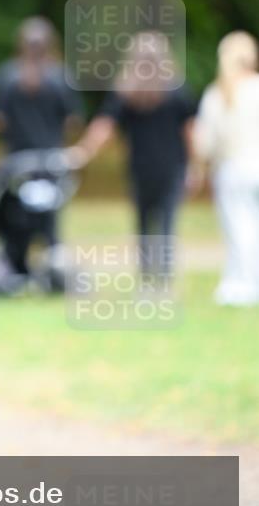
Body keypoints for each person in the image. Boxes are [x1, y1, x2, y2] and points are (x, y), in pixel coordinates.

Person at [73, 32, 197, 278]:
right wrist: (196, 166)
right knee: (166, 223)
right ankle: (164, 276)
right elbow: (191, 131)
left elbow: (104, 126)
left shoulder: (126, 91)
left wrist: (83, 151)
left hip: (139, 168)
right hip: (172, 168)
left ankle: (147, 276)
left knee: (142, 223)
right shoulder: (177, 89)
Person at [0, 16, 84, 278]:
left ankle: (16, 264)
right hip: (51, 160)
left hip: (16, 161)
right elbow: (73, 121)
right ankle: (53, 265)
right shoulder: (60, 77)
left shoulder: (7, 75)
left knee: (16, 214)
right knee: (49, 216)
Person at [192, 31, 259, 305]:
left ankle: (243, 284)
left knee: (238, 227)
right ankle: (242, 282)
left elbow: (205, 141)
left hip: (233, 169)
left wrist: (201, 169)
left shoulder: (217, 93)